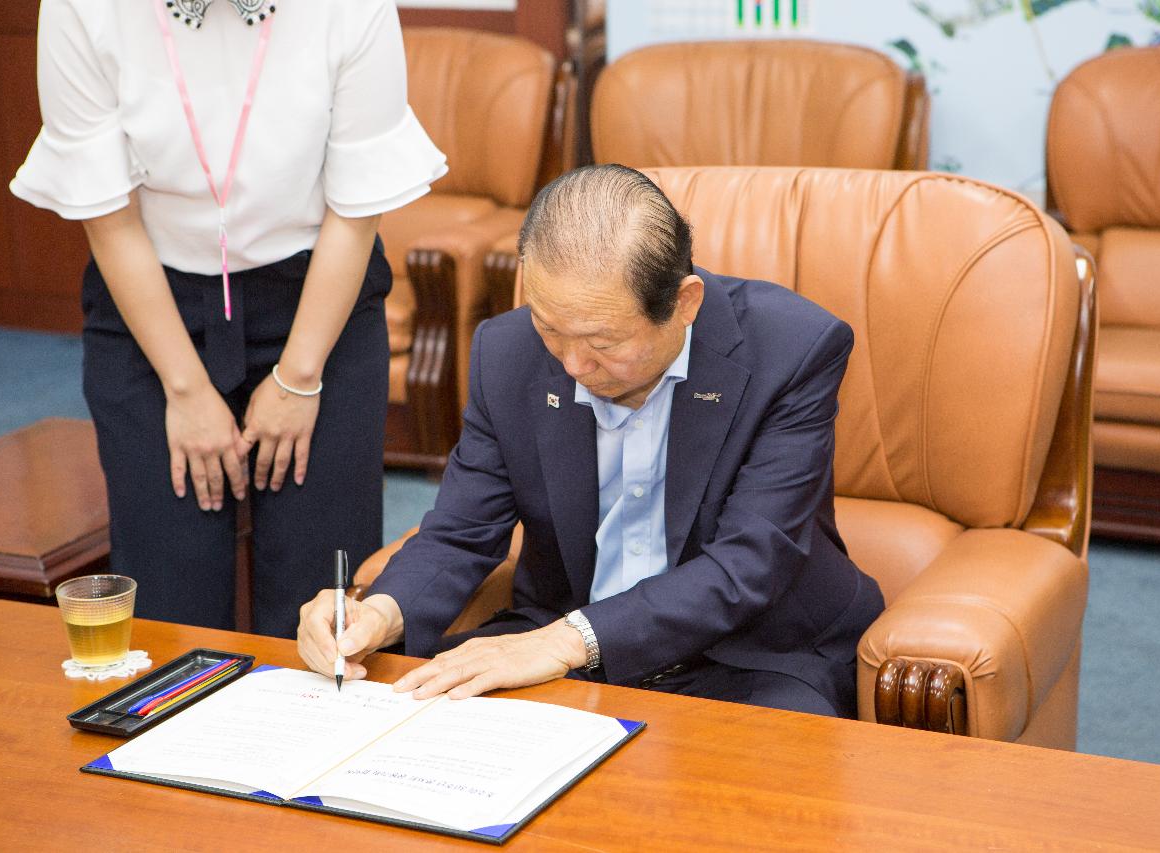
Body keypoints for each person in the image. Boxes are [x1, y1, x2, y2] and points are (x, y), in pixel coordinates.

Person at [298, 165, 884, 716]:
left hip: (751, 654)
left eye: (603, 340)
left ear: (684, 304)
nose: (573, 363)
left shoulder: (791, 349)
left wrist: (566, 641)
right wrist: (378, 612)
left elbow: (748, 564)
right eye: (550, 329)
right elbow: (461, 531)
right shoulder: (507, 353)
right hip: (559, 641)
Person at [10, 0, 446, 637]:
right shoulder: (83, 8)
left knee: (322, 599)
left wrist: (298, 378)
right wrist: (185, 389)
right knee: (169, 602)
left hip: (318, 298)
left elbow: (355, 213)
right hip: (151, 305)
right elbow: (109, 218)